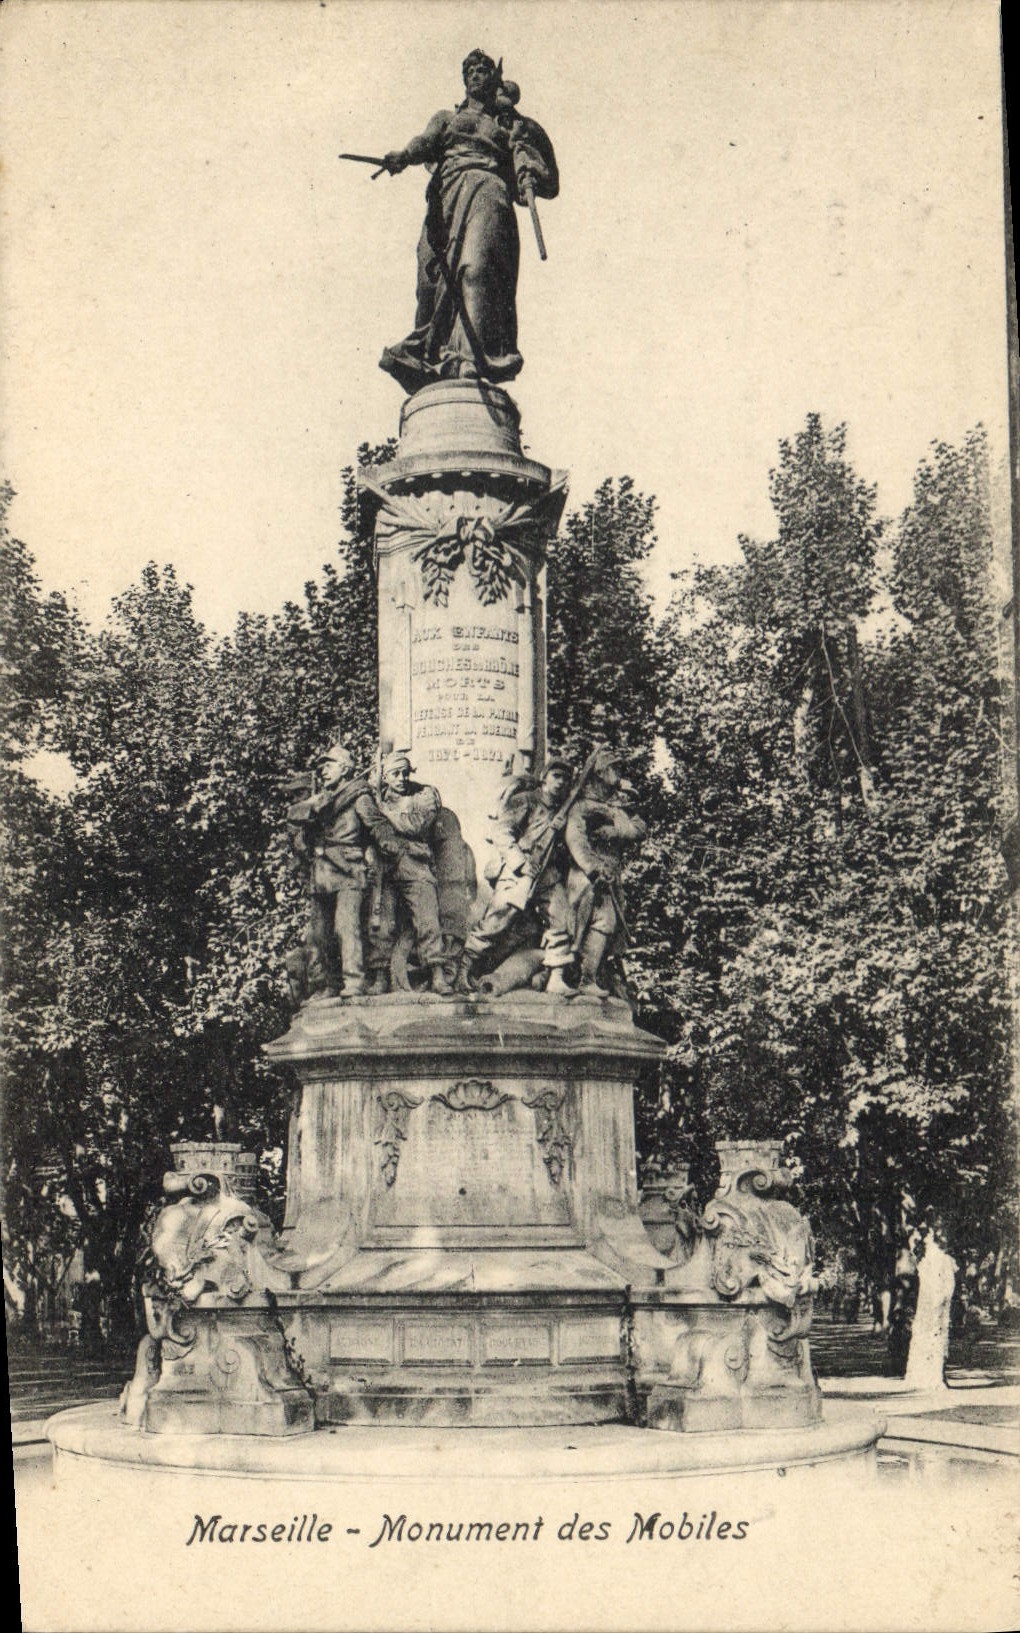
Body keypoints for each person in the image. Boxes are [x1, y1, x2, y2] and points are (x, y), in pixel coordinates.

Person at [379, 50, 558, 393]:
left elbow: (540, 174)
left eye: (483, 69)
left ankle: (470, 360)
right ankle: (436, 354)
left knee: (477, 269)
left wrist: (527, 166)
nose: (476, 74)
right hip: (446, 198)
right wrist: (404, 156)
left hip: (489, 192)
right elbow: (425, 143)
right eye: (470, 70)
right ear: (464, 80)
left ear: (494, 78)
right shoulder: (446, 118)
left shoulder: (509, 127)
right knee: (430, 286)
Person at [286, 740, 407, 999]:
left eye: (330, 766)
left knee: (346, 928)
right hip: (321, 874)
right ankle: (330, 984)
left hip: (348, 871)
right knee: (319, 935)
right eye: (323, 767)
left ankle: (355, 981)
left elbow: (377, 824)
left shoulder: (359, 797)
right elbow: (304, 834)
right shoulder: (321, 802)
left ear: (345, 769)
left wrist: (389, 845)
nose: (324, 771)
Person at [459, 754, 577, 994]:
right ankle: (463, 970)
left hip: (548, 874)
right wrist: (520, 863)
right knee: (497, 921)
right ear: (544, 777)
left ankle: (556, 977)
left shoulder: (565, 811)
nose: (561, 782)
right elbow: (502, 832)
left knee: (561, 919)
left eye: (566, 778)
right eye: (556, 776)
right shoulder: (527, 801)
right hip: (520, 871)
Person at [564, 747, 647, 995]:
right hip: (587, 877)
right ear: (600, 772)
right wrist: (593, 868)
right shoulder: (581, 806)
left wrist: (616, 831)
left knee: (609, 925)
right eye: (615, 768)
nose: (619, 773)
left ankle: (590, 978)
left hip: (611, 875)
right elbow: (576, 841)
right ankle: (578, 978)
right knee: (586, 925)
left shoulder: (614, 805)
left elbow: (638, 828)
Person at [374, 750, 454, 995]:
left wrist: (380, 812)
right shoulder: (376, 799)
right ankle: (379, 977)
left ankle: (438, 975)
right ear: (385, 777)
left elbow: (414, 825)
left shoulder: (424, 796)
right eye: (395, 774)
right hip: (385, 866)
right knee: (381, 924)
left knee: (428, 921)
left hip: (415, 863)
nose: (401, 778)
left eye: (405, 773)